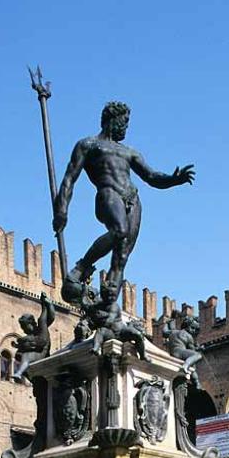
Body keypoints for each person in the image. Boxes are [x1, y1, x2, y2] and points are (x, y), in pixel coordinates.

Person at [54, 101, 194, 307]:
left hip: (133, 200)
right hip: (108, 194)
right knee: (119, 231)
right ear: (113, 119)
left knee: (122, 256)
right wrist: (62, 209)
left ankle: (107, 306)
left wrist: (174, 180)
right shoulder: (88, 145)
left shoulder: (129, 152)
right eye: (125, 121)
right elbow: (69, 179)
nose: (126, 127)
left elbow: (151, 176)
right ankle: (82, 266)